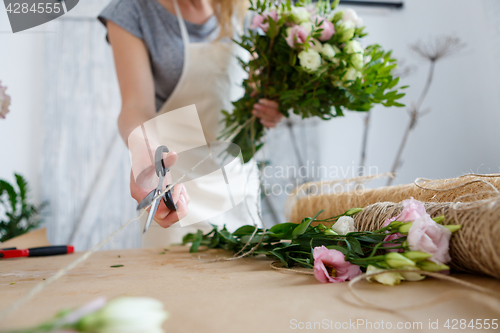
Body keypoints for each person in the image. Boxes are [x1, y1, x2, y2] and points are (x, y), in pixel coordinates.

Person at [98, 0, 283, 246]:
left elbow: (253, 94)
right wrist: (144, 153)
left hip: (236, 184)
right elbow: (135, 107)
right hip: (176, 188)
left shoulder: (248, 9)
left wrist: (271, 108)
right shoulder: (133, 10)